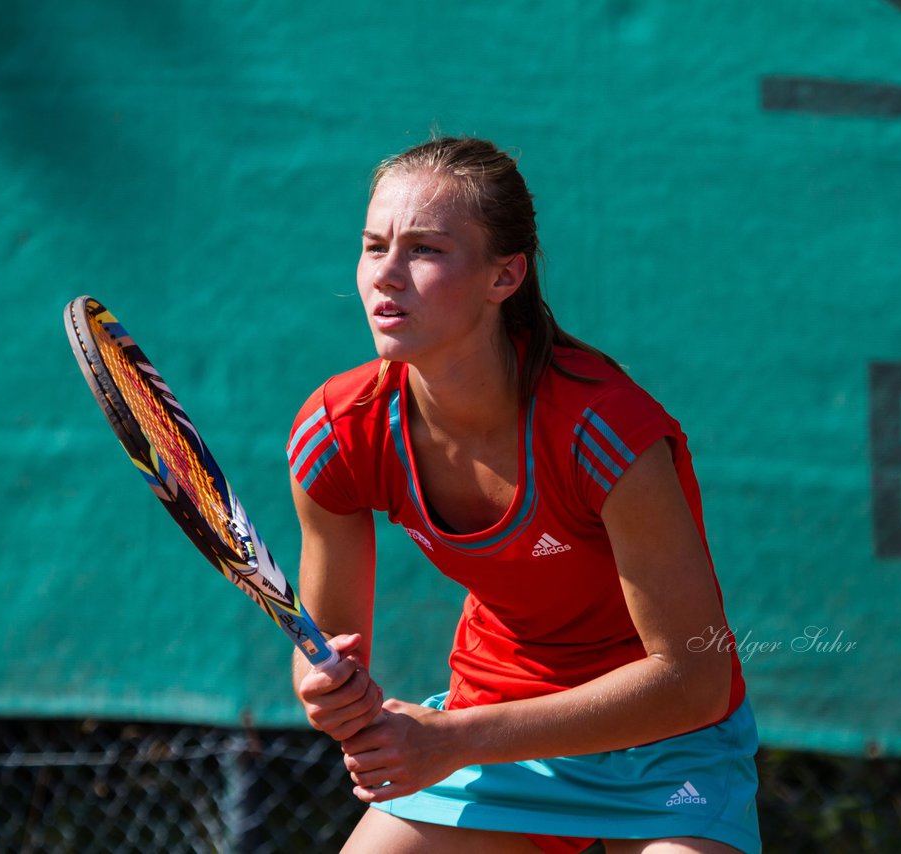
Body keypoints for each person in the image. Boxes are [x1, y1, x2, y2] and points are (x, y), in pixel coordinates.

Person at [287, 136, 760, 854]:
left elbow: (694, 677)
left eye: (425, 250)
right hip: (495, 715)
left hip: (664, 741)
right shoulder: (337, 434)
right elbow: (322, 644)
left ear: (504, 276)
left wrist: (453, 739)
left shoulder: (604, 432)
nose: (386, 274)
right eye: (372, 244)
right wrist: (325, 691)